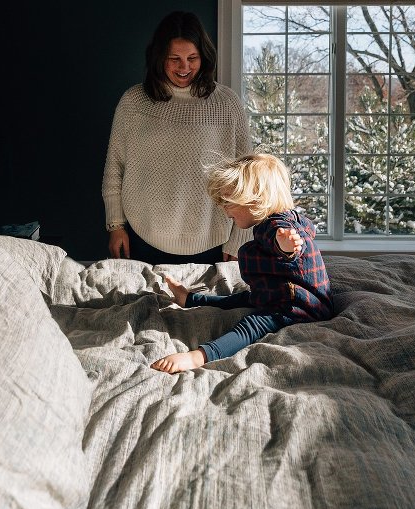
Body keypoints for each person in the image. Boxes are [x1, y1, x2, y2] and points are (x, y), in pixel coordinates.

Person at [151, 153, 333, 374]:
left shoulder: (277, 226)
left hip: (297, 307)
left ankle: (197, 357)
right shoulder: (284, 220)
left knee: (252, 325)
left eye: (229, 202)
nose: (225, 210)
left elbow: (286, 246)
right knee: (239, 299)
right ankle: (189, 298)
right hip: (280, 293)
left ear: (256, 199)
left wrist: (286, 246)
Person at [102, 11, 252, 265]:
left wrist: (240, 238)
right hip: (143, 237)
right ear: (160, 58)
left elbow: (247, 176)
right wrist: (115, 225)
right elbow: (115, 166)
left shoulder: (227, 104)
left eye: (192, 58)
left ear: (204, 57)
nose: (185, 68)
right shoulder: (134, 102)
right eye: (175, 59)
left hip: (213, 241)